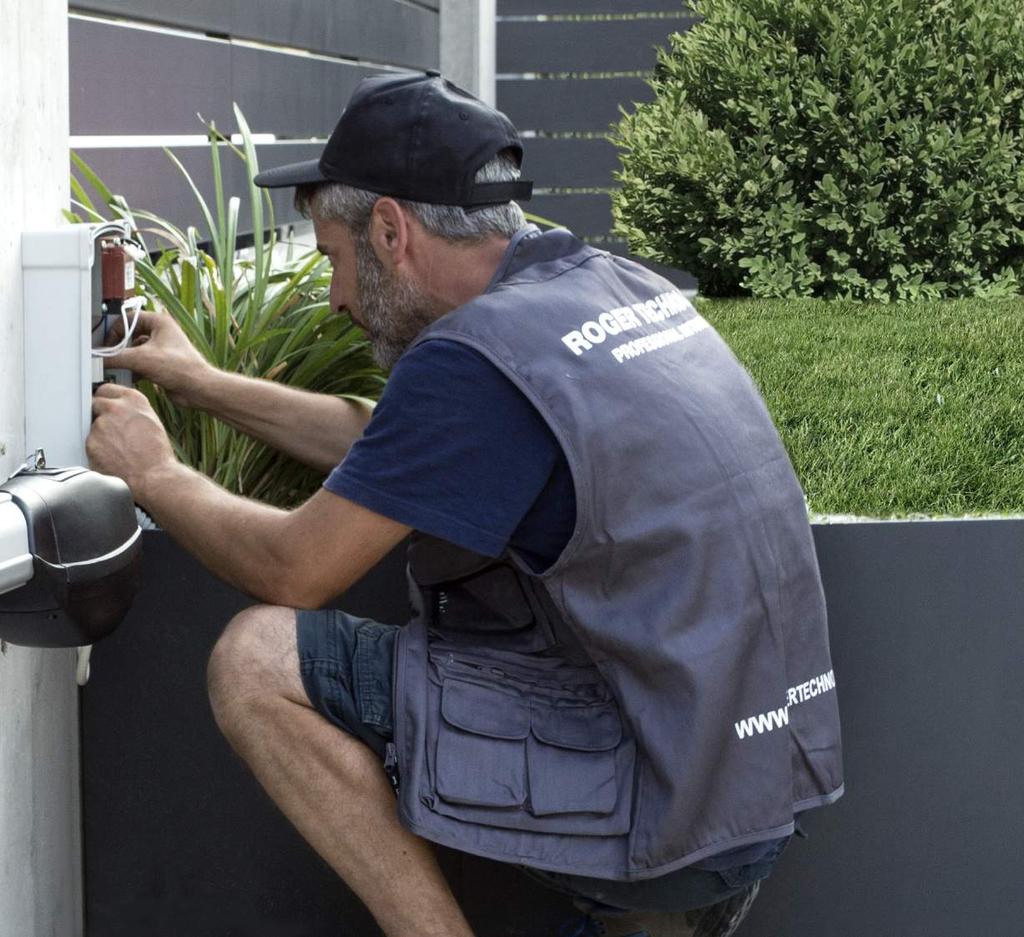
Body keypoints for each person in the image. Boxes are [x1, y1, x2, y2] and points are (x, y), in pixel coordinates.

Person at [86, 71, 844, 937]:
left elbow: (293, 568)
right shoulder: (601, 291)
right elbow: (395, 446)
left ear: (389, 230)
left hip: (662, 809)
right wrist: (208, 386)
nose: (335, 296)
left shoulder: (473, 360)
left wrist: (157, 473)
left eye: (333, 257)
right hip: (752, 786)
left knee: (255, 659)